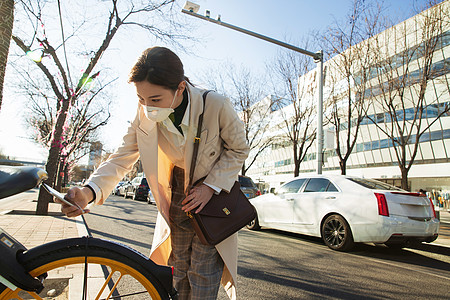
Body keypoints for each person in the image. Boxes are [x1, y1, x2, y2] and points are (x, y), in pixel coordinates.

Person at [59, 47, 249, 300]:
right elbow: (122, 157)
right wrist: (88, 192)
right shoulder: (144, 115)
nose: (148, 107)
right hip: (175, 194)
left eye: (155, 99)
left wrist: (210, 186)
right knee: (178, 268)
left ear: (180, 87)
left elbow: (239, 149)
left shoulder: (215, 104)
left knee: (203, 272)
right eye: (141, 99)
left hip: (212, 197)